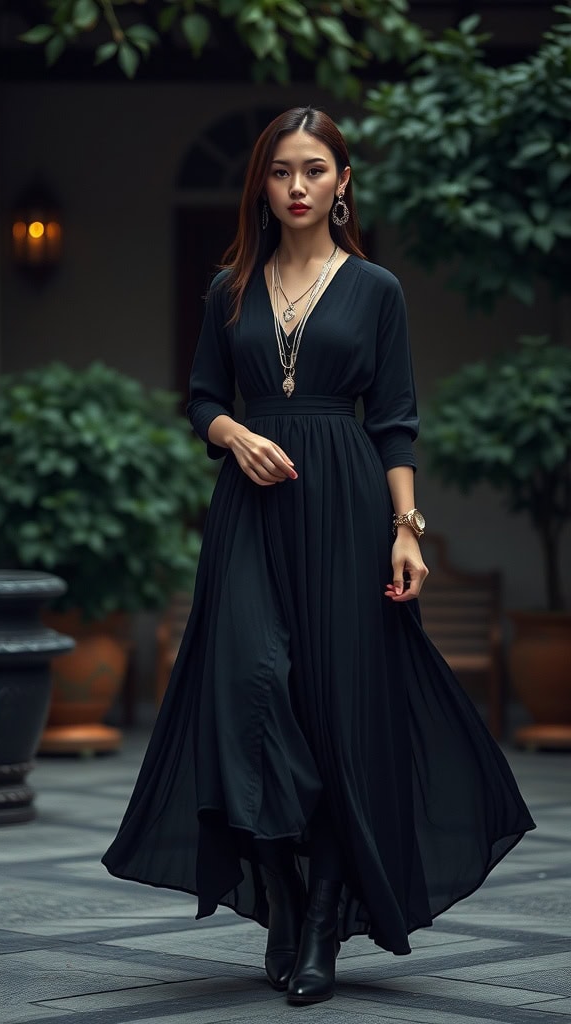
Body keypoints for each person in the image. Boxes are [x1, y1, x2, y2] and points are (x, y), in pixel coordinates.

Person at [102, 107, 535, 1006]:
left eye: (315, 170)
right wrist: (232, 433)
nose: (297, 187)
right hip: (251, 517)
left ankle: (325, 917)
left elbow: (398, 419)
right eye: (279, 172)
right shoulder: (228, 286)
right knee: (247, 698)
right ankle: (289, 894)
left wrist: (406, 528)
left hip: (345, 506)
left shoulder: (377, 289)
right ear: (260, 186)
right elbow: (200, 400)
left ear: (342, 183)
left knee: (338, 710)